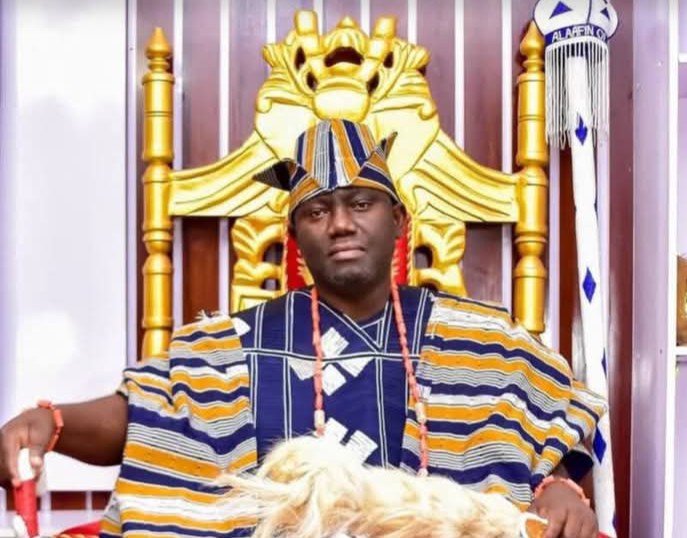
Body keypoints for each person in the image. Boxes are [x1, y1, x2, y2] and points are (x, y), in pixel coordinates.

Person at [0, 119, 605, 538]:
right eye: (317, 211)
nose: (340, 224)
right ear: (295, 237)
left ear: (398, 220)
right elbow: (149, 415)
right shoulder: (235, 346)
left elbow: (548, 440)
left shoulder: (484, 343)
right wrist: (51, 421)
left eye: (360, 203)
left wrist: (560, 489)